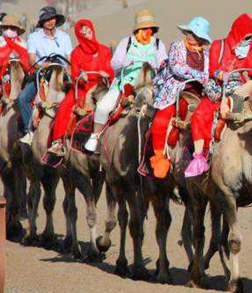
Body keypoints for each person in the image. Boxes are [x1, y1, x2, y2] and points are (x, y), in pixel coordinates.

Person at [187, 13, 252, 177]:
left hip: (240, 88)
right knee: (199, 116)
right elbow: (213, 67)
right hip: (219, 89)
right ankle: (199, 156)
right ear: (238, 33)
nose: (248, 41)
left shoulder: (248, 51)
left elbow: (251, 68)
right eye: (246, 37)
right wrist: (221, 74)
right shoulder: (218, 46)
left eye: (251, 38)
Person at [84, 10, 167, 153]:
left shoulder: (158, 44)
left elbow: (164, 63)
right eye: (143, 28)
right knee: (103, 107)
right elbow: (115, 63)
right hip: (125, 84)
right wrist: (129, 61)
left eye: (149, 28)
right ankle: (95, 136)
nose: (147, 31)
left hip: (151, 84)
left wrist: (156, 64)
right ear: (138, 29)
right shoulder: (126, 42)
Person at [149, 17, 211, 179]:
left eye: (195, 34)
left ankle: (206, 155)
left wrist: (201, 78)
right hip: (174, 88)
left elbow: (207, 74)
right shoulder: (177, 46)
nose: (191, 36)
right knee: (162, 117)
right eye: (190, 32)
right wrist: (197, 75)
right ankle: (159, 157)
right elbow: (177, 68)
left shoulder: (205, 54)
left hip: (198, 91)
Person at [46, 20, 114, 159]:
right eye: (83, 33)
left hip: (102, 86)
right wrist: (81, 77)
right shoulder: (76, 53)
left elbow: (110, 70)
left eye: (89, 31)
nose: (87, 35)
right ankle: (57, 141)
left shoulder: (104, 50)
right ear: (79, 35)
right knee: (64, 106)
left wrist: (106, 73)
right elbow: (75, 74)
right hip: (83, 88)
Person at [19, 6, 73, 145]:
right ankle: (29, 131)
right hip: (42, 73)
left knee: (78, 97)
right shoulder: (34, 37)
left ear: (56, 19)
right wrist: (42, 66)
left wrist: (68, 70)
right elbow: (31, 59)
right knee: (23, 98)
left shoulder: (65, 37)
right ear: (42, 22)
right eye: (46, 19)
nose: (50, 21)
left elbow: (70, 59)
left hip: (62, 74)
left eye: (52, 18)